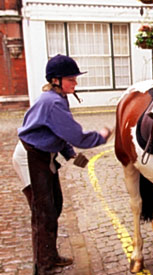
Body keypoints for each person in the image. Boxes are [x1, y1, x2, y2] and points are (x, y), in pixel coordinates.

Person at [12, 54, 111, 274]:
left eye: (75, 79)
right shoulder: (53, 102)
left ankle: (50, 255)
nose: (75, 83)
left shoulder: (58, 98)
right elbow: (77, 135)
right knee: (42, 212)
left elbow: (58, 133)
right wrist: (101, 136)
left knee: (54, 205)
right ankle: (44, 266)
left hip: (43, 154)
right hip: (30, 156)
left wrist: (69, 154)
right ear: (56, 80)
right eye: (71, 79)